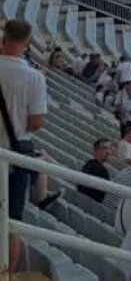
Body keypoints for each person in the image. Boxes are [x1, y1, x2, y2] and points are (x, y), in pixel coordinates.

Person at [0, 19, 48, 275]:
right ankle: (6, 275)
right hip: (14, 157)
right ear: (28, 42)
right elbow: (36, 123)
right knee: (12, 224)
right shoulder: (34, 77)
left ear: (4, 37)